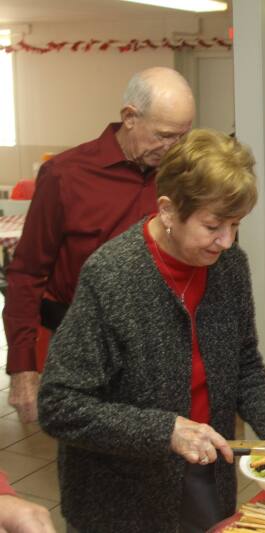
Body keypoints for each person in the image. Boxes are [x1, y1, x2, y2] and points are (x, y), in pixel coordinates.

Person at [37, 129, 265, 532]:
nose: (226, 241)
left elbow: (245, 367)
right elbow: (59, 405)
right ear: (167, 210)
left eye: (236, 225)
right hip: (120, 493)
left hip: (204, 473)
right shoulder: (112, 275)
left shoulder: (230, 266)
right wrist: (166, 430)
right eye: (214, 225)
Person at [4, 67, 196, 423]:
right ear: (130, 118)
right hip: (81, 347)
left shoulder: (180, 176)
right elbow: (27, 274)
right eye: (164, 135)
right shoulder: (66, 175)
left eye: (182, 136)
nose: (174, 148)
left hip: (158, 346)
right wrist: (22, 367)